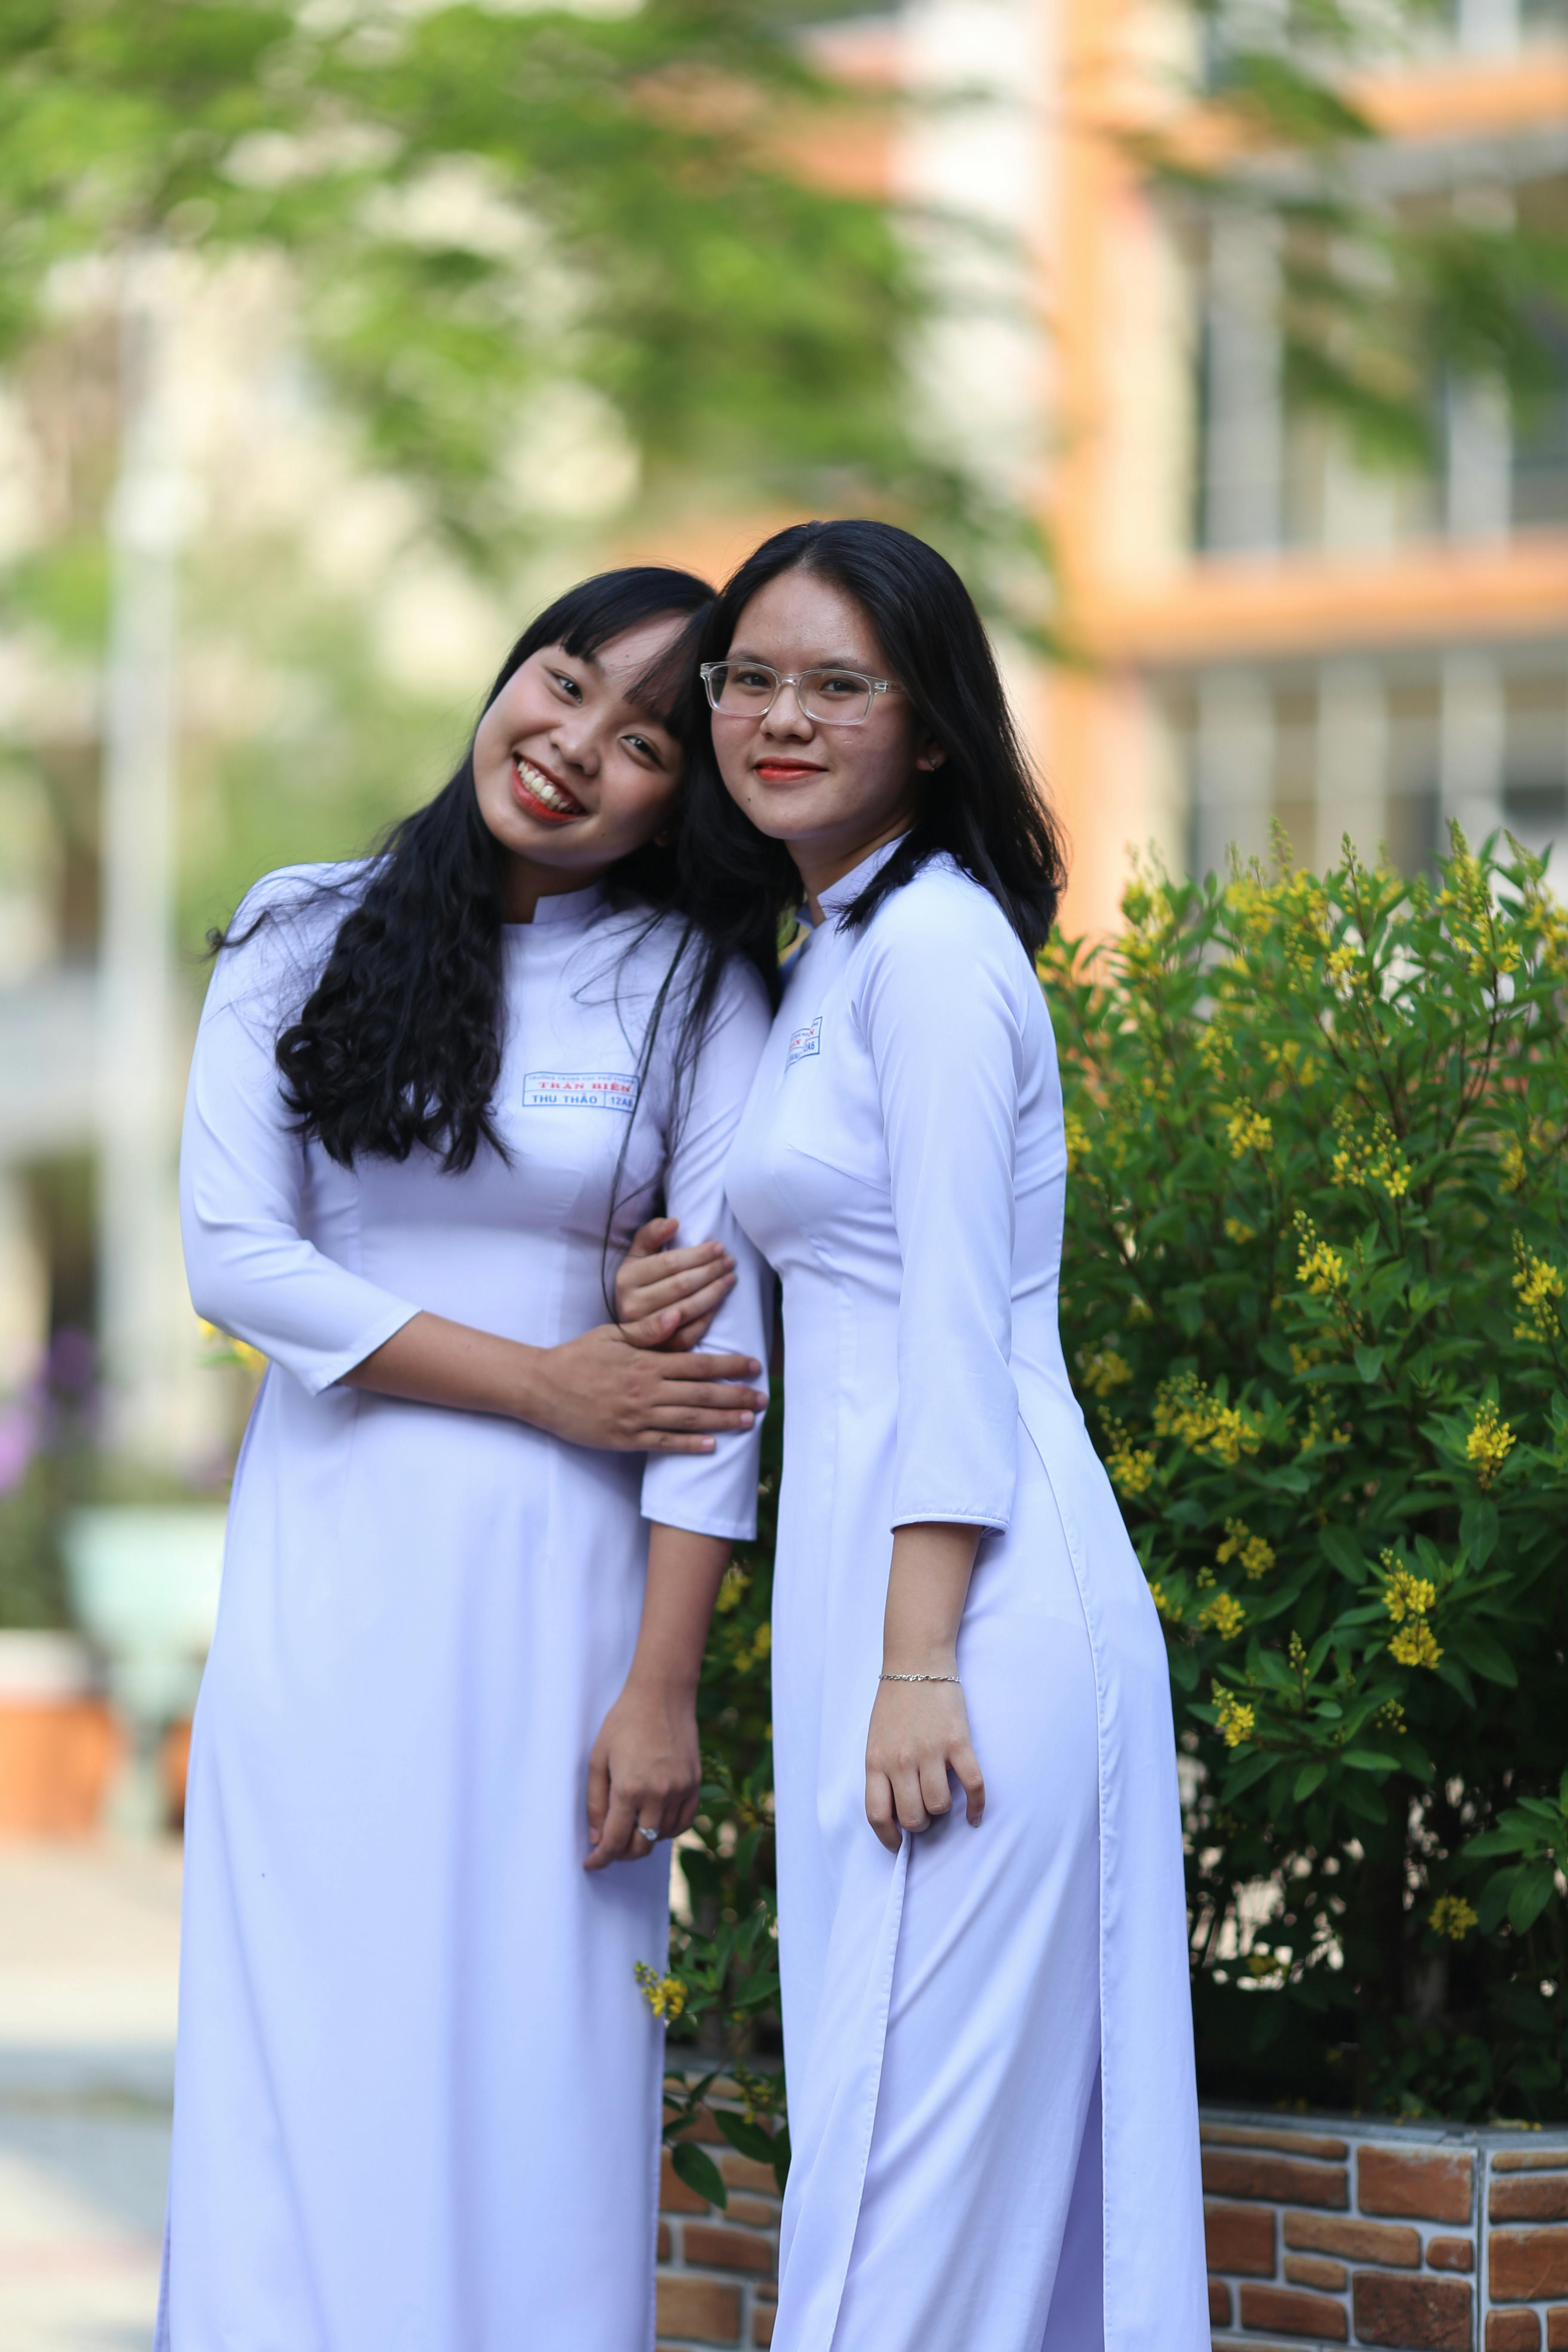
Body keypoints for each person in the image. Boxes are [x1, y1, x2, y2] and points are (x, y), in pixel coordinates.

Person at [160, 568, 777, 2352]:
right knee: (310, 2037)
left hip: (567, 1618)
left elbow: (714, 1369)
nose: (574, 748)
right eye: (564, 683)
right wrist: (543, 1383)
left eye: (645, 739)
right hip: (332, 1579)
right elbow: (237, 1258)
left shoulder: (692, 988)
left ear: (688, 792)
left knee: (544, 2058)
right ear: (511, 670)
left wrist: (664, 1686)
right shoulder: (306, 928)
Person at [679, 520, 1208, 2351]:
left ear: (930, 724)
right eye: (751, 678)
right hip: (878, 1616)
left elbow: (962, 1335)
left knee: (894, 2228)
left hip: (970, 1623)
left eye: (839, 683)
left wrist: (916, 1669)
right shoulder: (829, 946)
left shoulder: (935, 954)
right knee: (904, 2183)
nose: (782, 716)